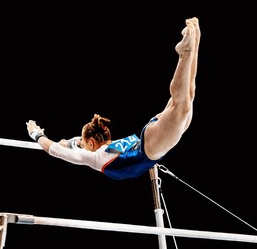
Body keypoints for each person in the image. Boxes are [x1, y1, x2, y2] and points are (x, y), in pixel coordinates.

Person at [26, 17, 201, 180]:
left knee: (182, 104)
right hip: (149, 139)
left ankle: (185, 53)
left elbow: (55, 150)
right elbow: (79, 141)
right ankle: (194, 41)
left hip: (150, 148)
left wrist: (36, 134)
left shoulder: (97, 158)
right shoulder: (109, 147)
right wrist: (70, 143)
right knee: (188, 95)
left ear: (93, 143)